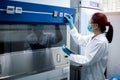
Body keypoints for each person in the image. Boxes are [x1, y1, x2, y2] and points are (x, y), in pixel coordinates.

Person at [62, 12, 113, 80]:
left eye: (90, 22)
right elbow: (79, 39)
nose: (89, 24)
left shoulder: (101, 42)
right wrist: (71, 26)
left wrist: (70, 54)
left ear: (96, 26)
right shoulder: (93, 37)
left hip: (95, 77)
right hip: (88, 76)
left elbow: (87, 61)